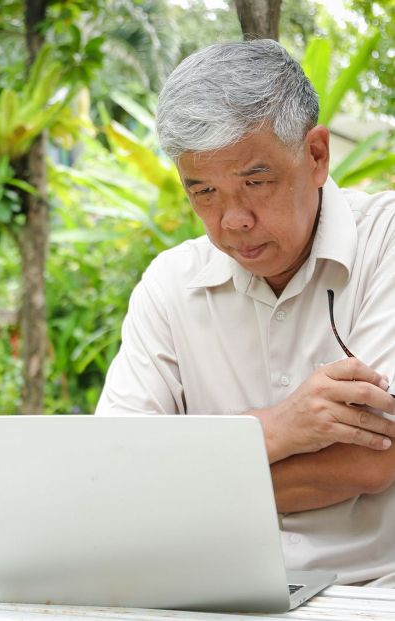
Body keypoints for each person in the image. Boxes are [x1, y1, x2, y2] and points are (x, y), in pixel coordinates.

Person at [95, 38, 395, 587]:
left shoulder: (386, 244)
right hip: (206, 588)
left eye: (256, 182)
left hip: (369, 594)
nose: (232, 219)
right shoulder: (169, 284)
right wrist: (282, 427)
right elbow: (117, 473)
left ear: (317, 156)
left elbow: (371, 461)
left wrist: (175, 477)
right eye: (203, 191)